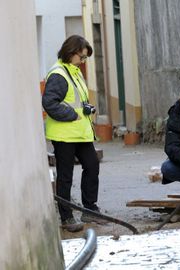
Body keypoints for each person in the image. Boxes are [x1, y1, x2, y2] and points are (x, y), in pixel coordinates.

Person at [42, 35, 105, 232]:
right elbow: (49, 103)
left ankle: (89, 208)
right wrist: (72, 114)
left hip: (80, 133)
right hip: (64, 135)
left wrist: (86, 108)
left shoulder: (74, 71)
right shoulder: (59, 74)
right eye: (82, 57)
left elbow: (75, 100)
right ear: (71, 53)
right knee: (65, 176)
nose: (84, 61)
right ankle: (67, 217)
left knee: (92, 166)